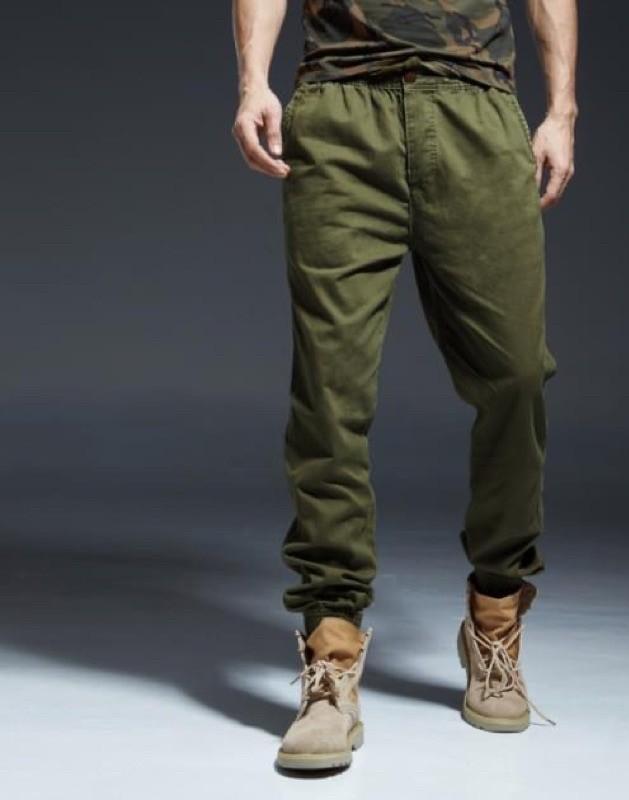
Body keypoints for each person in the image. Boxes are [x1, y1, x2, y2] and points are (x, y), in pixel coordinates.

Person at [231, 0, 577, 771]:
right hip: (341, 109)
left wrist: (561, 111)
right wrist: (253, 80)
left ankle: (496, 615)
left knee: (516, 375)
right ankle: (330, 654)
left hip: (474, 106)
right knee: (329, 391)